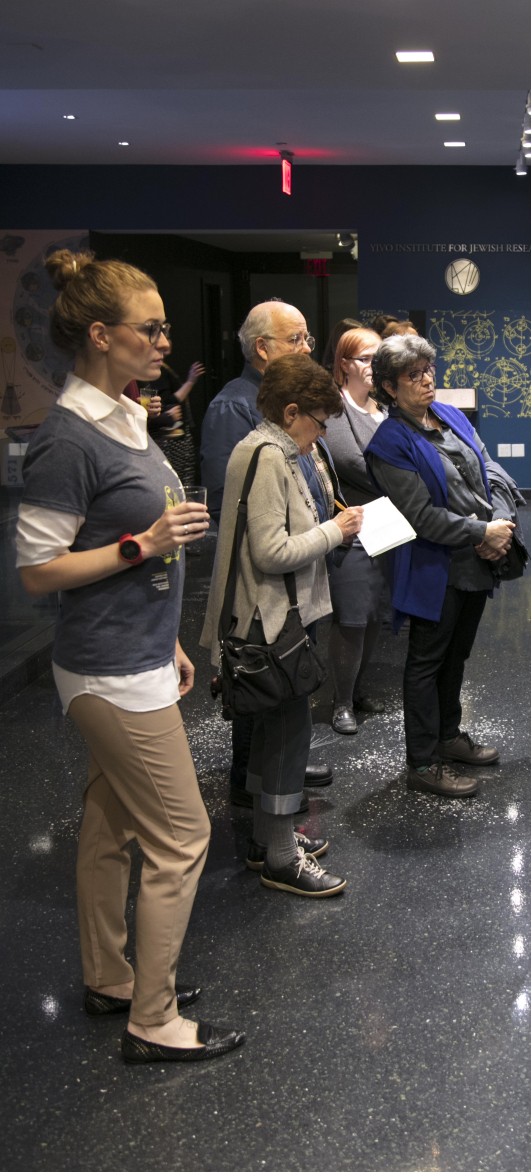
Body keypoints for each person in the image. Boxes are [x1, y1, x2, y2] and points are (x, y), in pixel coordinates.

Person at [16, 249, 244, 1064]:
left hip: (137, 653)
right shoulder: (67, 439)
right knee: (182, 837)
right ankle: (153, 1020)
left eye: (164, 328)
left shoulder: (124, 414)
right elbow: (38, 569)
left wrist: (169, 635)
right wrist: (141, 544)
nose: (164, 342)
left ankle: (109, 977)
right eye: (150, 329)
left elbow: (141, 554)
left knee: (111, 826)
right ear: (100, 334)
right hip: (109, 670)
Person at [201, 354, 364, 895]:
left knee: (275, 734)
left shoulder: (268, 449)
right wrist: (336, 531)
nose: (322, 434)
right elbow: (271, 552)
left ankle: (264, 840)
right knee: (287, 738)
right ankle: (280, 857)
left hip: (271, 616)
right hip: (271, 622)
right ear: (290, 413)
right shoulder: (268, 457)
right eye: (318, 422)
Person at [364, 335, 516, 798]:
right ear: (389, 388)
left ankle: (449, 737)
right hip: (434, 570)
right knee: (426, 663)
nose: (427, 380)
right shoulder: (389, 443)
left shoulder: (449, 414)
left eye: (428, 369)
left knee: (457, 655)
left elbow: (490, 468)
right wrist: (483, 533)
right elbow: (420, 516)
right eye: (413, 375)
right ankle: (423, 762)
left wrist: (500, 524)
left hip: (476, 561)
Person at [200, 299, 332, 805]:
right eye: (296, 339)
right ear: (262, 347)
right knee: (261, 685)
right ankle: (252, 788)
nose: (306, 348)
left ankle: (276, 774)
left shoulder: (293, 406)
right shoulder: (237, 410)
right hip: (266, 589)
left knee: (285, 693)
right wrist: (325, 534)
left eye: (307, 339)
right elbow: (235, 508)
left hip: (298, 574)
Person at [322, 327, 390, 734]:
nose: (373, 366)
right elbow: (353, 462)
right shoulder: (336, 408)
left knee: (376, 613)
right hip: (353, 529)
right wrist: (405, 475)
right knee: (351, 617)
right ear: (344, 364)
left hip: (389, 525)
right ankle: (341, 702)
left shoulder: (383, 408)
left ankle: (358, 690)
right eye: (365, 359)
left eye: (378, 359)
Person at [139, 345, 204, 485]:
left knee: (184, 480)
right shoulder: (151, 372)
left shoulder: (162, 367)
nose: (165, 343)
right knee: (175, 482)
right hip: (167, 439)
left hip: (175, 435)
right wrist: (191, 381)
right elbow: (168, 401)